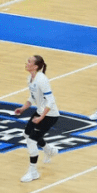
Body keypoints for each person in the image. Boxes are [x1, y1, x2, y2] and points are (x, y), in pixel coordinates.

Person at [10, 55, 60, 183]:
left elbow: (51, 101)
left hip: (49, 115)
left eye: (29, 62)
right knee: (27, 134)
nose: (26, 63)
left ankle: (33, 172)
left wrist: (41, 117)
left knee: (32, 140)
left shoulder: (42, 80)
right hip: (40, 112)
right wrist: (23, 108)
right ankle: (48, 150)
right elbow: (32, 97)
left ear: (36, 66)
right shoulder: (30, 78)